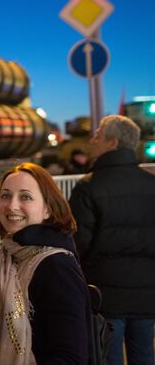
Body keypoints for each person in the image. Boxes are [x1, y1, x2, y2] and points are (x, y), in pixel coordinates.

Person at [0, 163, 91, 365]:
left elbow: (71, 357)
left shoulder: (56, 266)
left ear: (48, 209)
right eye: (5, 196)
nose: (12, 205)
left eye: (25, 197)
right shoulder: (14, 256)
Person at [69, 115, 155, 365]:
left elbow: (78, 244)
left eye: (97, 135)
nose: (92, 139)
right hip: (147, 292)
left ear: (112, 143)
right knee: (144, 355)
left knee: (108, 356)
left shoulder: (89, 186)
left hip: (105, 295)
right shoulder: (152, 185)